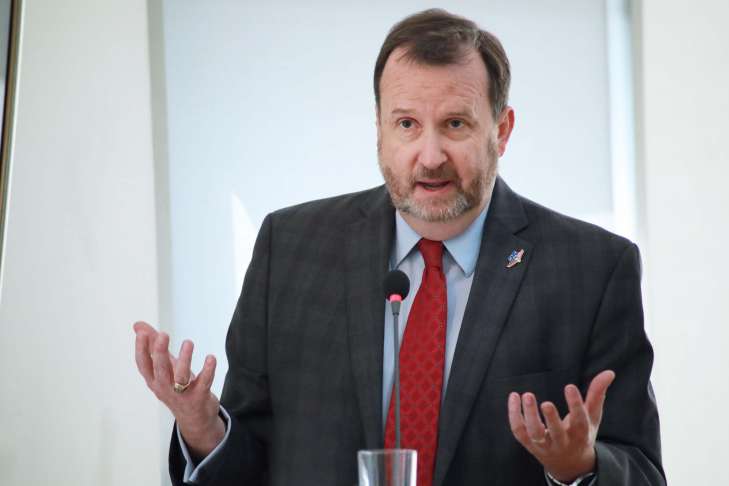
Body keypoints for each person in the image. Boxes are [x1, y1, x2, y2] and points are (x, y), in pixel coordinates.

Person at [133, 9, 665, 486]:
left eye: (455, 124)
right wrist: (203, 429)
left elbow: (641, 470)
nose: (429, 156)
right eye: (407, 124)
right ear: (380, 129)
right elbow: (249, 463)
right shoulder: (288, 249)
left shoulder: (594, 269)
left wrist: (579, 469)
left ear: (501, 131)